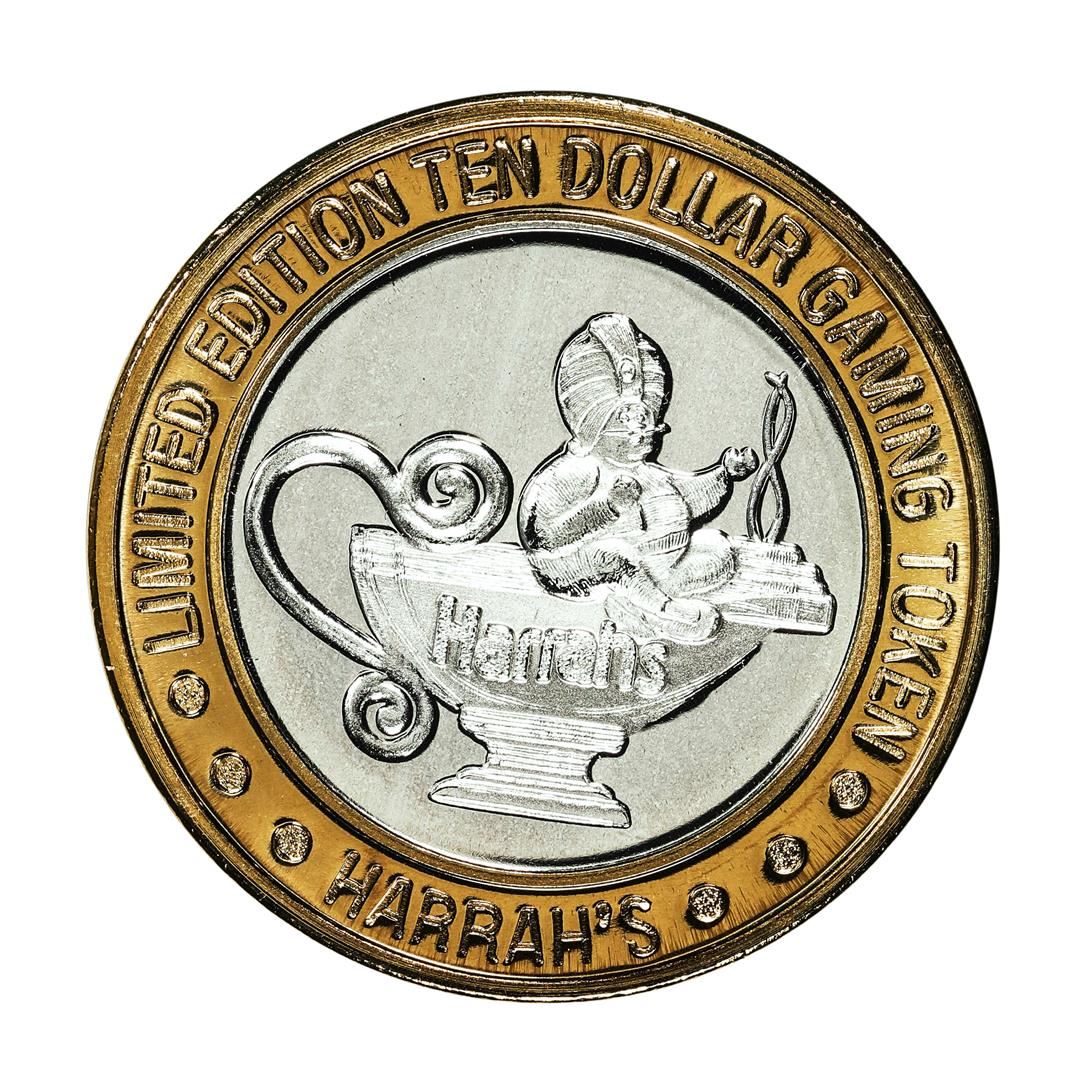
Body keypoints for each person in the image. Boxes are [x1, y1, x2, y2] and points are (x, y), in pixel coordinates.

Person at [518, 313, 758, 644]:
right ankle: (662, 611)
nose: (641, 433)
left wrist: (725, 474)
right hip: (581, 568)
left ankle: (646, 600)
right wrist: (607, 507)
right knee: (616, 555)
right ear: (595, 425)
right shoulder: (577, 471)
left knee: (718, 549)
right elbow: (541, 535)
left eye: (647, 424)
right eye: (625, 424)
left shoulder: (649, 473)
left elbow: (690, 498)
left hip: (658, 567)